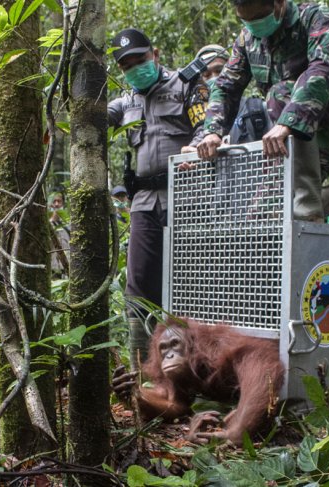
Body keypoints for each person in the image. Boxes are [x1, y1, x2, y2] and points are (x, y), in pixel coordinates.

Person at [196, 0, 329, 222]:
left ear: (279, 4)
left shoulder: (315, 17)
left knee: (280, 93)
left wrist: (287, 123)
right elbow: (225, 87)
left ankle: (307, 208)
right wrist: (212, 131)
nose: (253, 25)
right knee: (263, 214)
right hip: (296, 145)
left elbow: (322, 70)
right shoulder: (246, 40)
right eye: (246, 20)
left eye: (258, 17)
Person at [107, 28, 208, 363]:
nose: (136, 68)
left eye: (141, 60)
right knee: (138, 288)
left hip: (187, 198)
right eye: (128, 65)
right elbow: (93, 116)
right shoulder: (125, 102)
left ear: (156, 54)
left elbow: (209, 123)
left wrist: (199, 142)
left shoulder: (185, 86)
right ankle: (143, 375)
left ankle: (194, 369)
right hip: (143, 203)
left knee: (190, 284)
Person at [196, 44, 272, 145]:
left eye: (219, 71)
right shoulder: (195, 118)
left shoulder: (257, 109)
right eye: (206, 75)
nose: (215, 78)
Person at [48, 191, 70, 277]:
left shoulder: (68, 223)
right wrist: (52, 221)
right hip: (53, 268)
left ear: (63, 203)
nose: (56, 204)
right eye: (54, 201)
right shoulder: (46, 224)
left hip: (67, 267)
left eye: (59, 201)